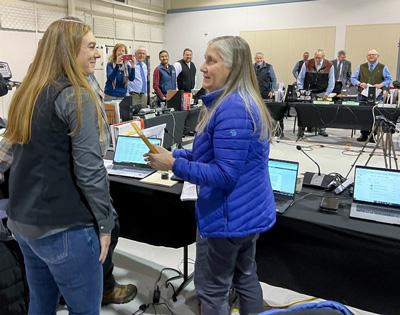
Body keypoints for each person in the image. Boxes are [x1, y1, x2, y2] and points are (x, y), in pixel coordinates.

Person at [145, 36, 276, 315]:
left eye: (211, 61)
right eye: (205, 59)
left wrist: (173, 166)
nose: (202, 67)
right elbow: (212, 157)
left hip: (227, 218)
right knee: (245, 278)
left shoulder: (233, 108)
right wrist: (174, 155)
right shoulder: (236, 101)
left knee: (212, 290)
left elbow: (224, 174)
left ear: (232, 67)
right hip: (246, 214)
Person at [4, 18, 115, 314]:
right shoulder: (75, 95)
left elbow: (7, 152)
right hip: (64, 228)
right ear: (69, 50)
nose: (98, 54)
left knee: (40, 305)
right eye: (91, 46)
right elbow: (90, 171)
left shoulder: (26, 92)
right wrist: (106, 223)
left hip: (23, 224)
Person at [351, 49, 392, 142]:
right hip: (362, 95)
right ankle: (363, 134)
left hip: (377, 95)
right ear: (366, 57)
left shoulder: (383, 67)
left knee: (375, 115)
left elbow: (389, 79)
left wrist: (381, 85)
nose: (371, 56)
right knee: (363, 114)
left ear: (378, 56)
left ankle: (373, 135)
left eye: (373, 54)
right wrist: (359, 83)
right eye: (369, 55)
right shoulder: (361, 67)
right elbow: (353, 78)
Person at [297, 48, 335, 137]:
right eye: (316, 57)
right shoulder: (307, 64)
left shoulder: (329, 65)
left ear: (323, 57)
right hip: (308, 91)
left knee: (323, 111)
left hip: (322, 92)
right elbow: (300, 78)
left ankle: (322, 130)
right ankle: (301, 130)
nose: (317, 60)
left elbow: (331, 81)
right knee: (304, 111)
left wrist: (327, 93)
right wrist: (301, 90)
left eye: (319, 58)